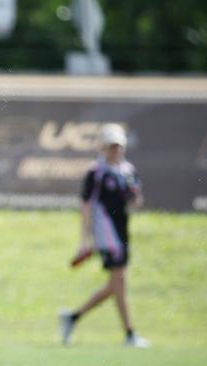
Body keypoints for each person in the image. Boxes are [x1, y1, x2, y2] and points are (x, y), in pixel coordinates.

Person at [59, 123, 150, 348]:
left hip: (122, 231)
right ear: (103, 147)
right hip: (106, 233)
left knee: (116, 284)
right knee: (119, 280)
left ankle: (72, 317)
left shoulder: (128, 171)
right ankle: (129, 334)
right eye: (111, 146)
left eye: (118, 146)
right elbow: (87, 205)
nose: (115, 150)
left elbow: (136, 202)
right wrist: (85, 239)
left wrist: (135, 195)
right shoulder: (96, 172)